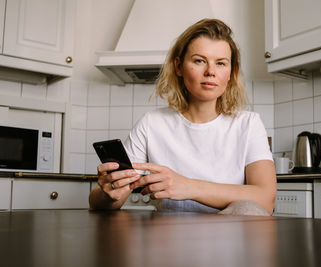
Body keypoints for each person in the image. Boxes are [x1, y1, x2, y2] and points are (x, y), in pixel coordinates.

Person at [89, 18, 276, 215]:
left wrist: (188, 186)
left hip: (227, 241)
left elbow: (265, 199)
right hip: (166, 239)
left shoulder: (248, 124)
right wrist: (107, 192)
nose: (210, 72)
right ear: (178, 66)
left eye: (221, 63)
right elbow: (100, 202)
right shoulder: (152, 123)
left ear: (231, 72)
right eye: (199, 61)